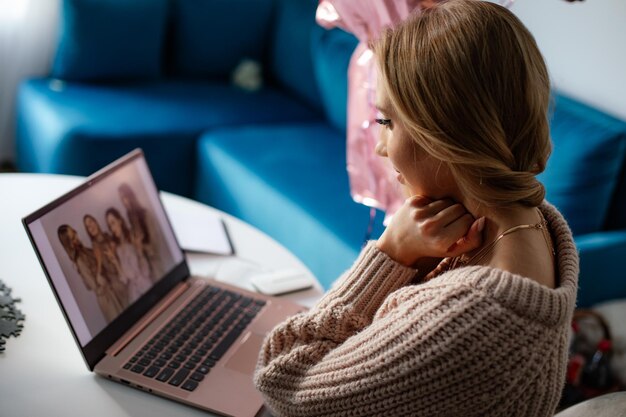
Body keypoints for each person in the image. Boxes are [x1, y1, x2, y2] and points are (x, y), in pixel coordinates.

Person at [254, 1, 578, 416]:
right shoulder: (535, 223)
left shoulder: (469, 317)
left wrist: (391, 254)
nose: (380, 146)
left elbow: (283, 382)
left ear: (446, 133)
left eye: (387, 122)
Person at [57, 224, 123, 322]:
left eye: (74, 232)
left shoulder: (85, 251)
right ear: (69, 244)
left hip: (110, 291)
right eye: (73, 237)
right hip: (106, 298)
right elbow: (96, 286)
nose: (77, 236)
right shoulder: (79, 260)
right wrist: (100, 262)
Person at [118, 183, 165, 281]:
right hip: (143, 270)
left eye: (125, 197)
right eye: (121, 199)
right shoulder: (129, 218)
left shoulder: (146, 215)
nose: (124, 202)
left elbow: (155, 247)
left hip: (156, 268)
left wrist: (140, 246)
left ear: (131, 196)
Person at [105, 208, 152, 303]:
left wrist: (139, 251)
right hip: (134, 294)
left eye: (113, 223)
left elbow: (145, 271)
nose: (112, 229)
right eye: (110, 226)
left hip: (146, 286)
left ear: (120, 221)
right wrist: (115, 262)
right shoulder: (117, 250)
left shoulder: (133, 237)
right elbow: (124, 279)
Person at [83, 214, 130, 310]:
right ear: (88, 231)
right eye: (88, 227)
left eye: (91, 222)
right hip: (118, 283)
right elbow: (105, 269)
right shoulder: (95, 247)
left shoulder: (108, 235)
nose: (91, 226)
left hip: (128, 271)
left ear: (96, 221)